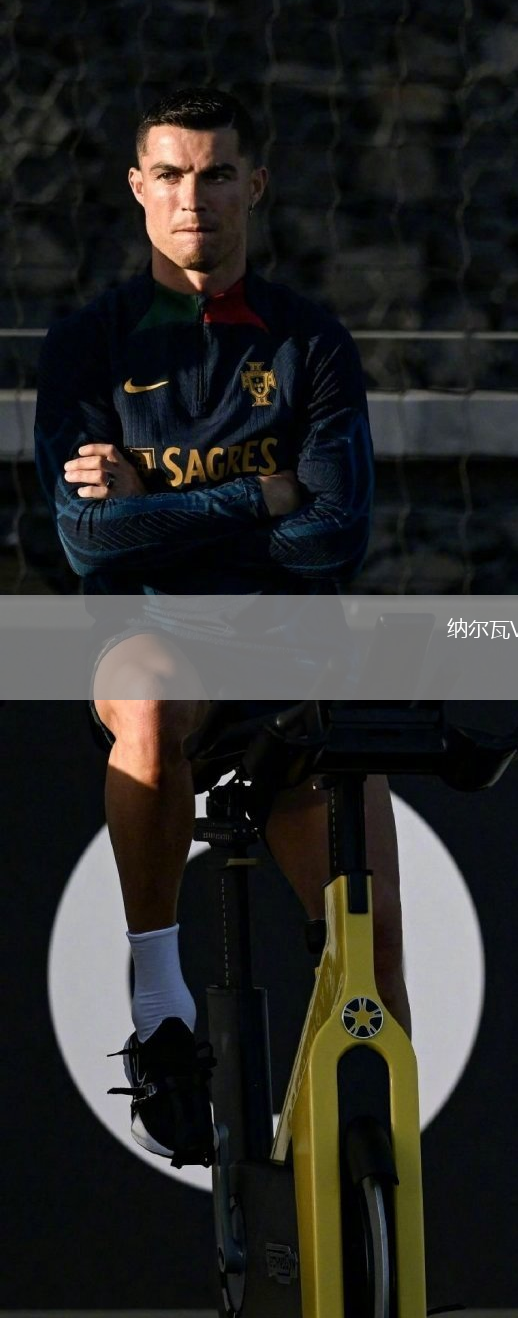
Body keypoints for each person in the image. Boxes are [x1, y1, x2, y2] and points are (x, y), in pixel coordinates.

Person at [34, 87, 410, 1167]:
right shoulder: (88, 345)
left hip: (291, 655)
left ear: (255, 185)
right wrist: (259, 494)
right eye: (170, 175)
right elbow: (88, 544)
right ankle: (160, 1011)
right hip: (160, 642)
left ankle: (358, 1208)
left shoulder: (312, 342)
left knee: (377, 977)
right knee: (149, 690)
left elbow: (333, 536)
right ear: (138, 188)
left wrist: (152, 502)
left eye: (214, 174)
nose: (191, 197)